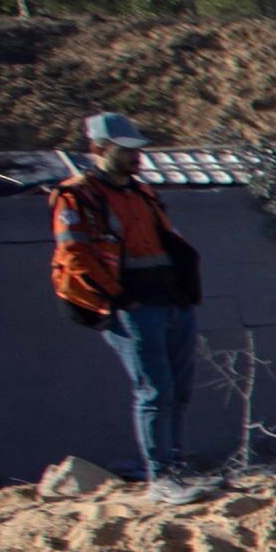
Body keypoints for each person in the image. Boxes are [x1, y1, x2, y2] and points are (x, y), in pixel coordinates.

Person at [48, 111, 205, 478]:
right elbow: (75, 254)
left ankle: (177, 468)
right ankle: (161, 475)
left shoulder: (143, 193)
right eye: (126, 150)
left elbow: (168, 242)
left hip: (172, 302)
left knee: (179, 392)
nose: (137, 157)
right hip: (132, 308)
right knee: (155, 392)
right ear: (99, 149)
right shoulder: (76, 196)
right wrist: (119, 298)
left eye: (138, 150)